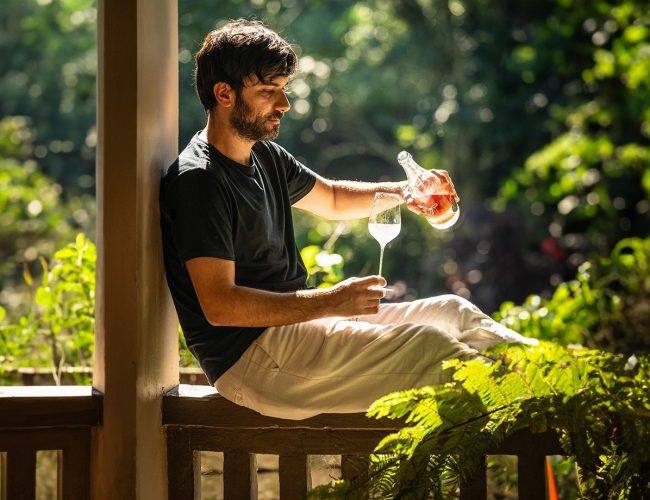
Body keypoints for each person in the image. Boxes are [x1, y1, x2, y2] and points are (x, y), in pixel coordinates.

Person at [160, 19, 535, 420]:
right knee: (431, 346)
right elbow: (221, 306)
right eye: (269, 92)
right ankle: (553, 407)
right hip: (253, 360)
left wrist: (407, 193)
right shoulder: (199, 180)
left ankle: (564, 380)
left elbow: (334, 198)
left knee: (452, 312)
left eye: (283, 90)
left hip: (297, 332)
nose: (283, 104)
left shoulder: (264, 155)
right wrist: (333, 300)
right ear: (224, 94)